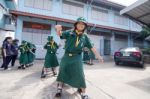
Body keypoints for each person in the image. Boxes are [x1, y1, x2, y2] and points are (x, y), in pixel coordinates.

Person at [55, 17, 104, 99]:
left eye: (83, 24)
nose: (81, 25)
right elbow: (60, 34)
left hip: (77, 57)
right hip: (67, 56)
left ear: (85, 26)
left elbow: (92, 47)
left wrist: (98, 55)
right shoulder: (69, 32)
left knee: (80, 74)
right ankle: (59, 88)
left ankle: (83, 93)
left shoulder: (85, 36)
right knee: (62, 70)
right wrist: (58, 29)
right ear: (76, 24)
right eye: (79, 23)